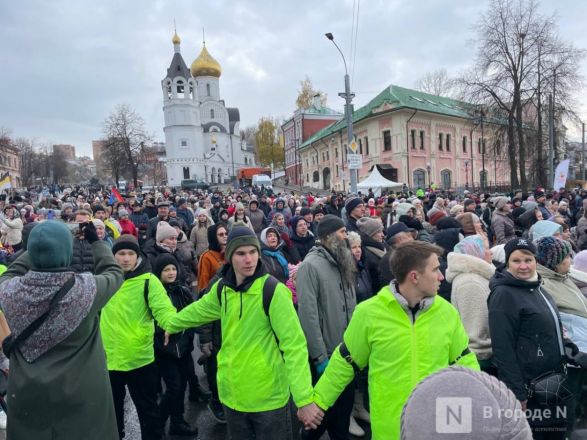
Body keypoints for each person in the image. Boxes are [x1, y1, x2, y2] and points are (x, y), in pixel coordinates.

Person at [310, 241, 479, 439]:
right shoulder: (369, 313)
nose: (442, 276)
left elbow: (464, 361)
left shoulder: (447, 312)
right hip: (390, 429)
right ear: (414, 277)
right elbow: (345, 362)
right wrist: (318, 402)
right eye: (435, 270)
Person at [164, 226, 321, 440]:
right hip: (233, 397)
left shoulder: (273, 291)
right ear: (229, 256)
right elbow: (197, 311)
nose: (248, 259)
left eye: (252, 252)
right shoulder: (222, 288)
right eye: (240, 253)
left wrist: (304, 398)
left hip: (268, 400)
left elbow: (294, 346)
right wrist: (170, 324)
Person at [0, 221, 124, 439]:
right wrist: (97, 242)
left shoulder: (8, 291)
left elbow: (11, 272)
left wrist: (37, 248)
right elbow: (114, 272)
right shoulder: (86, 290)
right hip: (82, 393)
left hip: (27, 393)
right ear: (67, 251)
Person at [488, 238, 570, 438]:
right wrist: (516, 392)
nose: (523, 266)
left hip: (551, 381)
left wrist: (566, 345)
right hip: (530, 385)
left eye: (528, 259)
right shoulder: (504, 294)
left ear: (536, 261)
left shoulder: (536, 285)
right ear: (507, 263)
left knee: (557, 431)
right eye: (516, 261)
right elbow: (502, 347)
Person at [101, 234, 179, 440]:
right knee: (110, 414)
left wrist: (171, 324)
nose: (126, 259)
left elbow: (163, 309)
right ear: (113, 255)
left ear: (137, 256)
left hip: (140, 359)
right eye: (121, 253)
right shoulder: (105, 280)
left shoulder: (148, 281)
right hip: (108, 359)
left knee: (148, 413)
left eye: (130, 254)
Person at [297, 214, 358, 439]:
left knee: (342, 416)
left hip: (346, 353)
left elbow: (351, 306)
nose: (346, 236)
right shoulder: (310, 266)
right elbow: (309, 316)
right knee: (319, 419)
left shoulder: (343, 260)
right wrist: (319, 357)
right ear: (330, 236)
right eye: (342, 232)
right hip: (327, 355)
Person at [153, 254, 198, 437]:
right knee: (173, 388)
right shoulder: (155, 294)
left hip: (184, 348)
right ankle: (158, 421)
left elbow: (193, 314)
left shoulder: (183, 290)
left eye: (173, 269)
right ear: (159, 272)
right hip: (164, 351)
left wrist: (188, 337)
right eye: (166, 270)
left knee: (182, 386)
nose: (171, 273)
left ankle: (177, 422)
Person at [446, 235, 495, 374]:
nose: (491, 251)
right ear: (475, 252)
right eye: (486, 248)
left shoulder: (478, 277)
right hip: (481, 362)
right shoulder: (471, 283)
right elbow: (475, 332)